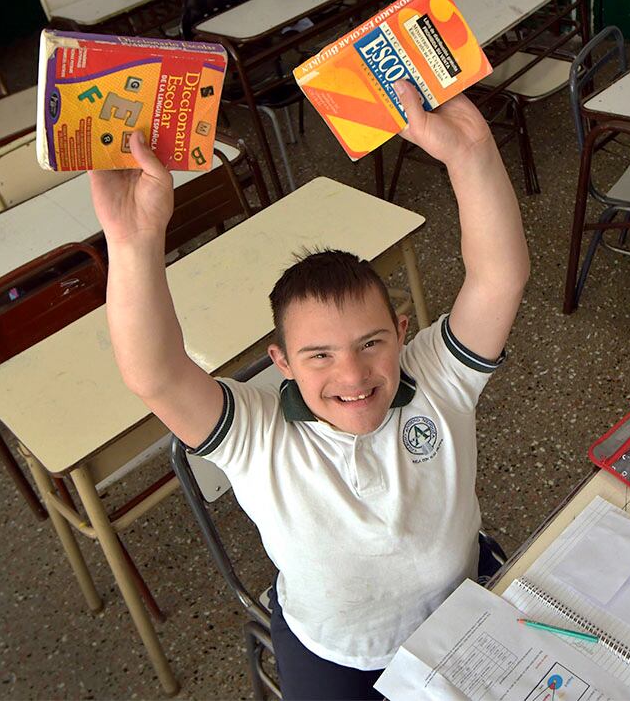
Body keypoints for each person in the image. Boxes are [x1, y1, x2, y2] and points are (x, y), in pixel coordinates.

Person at [88, 80, 529, 700]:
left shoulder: (436, 378)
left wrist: (472, 153)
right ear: (282, 363)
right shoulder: (257, 435)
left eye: (371, 343)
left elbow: (499, 275)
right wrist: (133, 242)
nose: (351, 376)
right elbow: (154, 373)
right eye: (319, 355)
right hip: (339, 657)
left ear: (403, 332)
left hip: (465, 608)